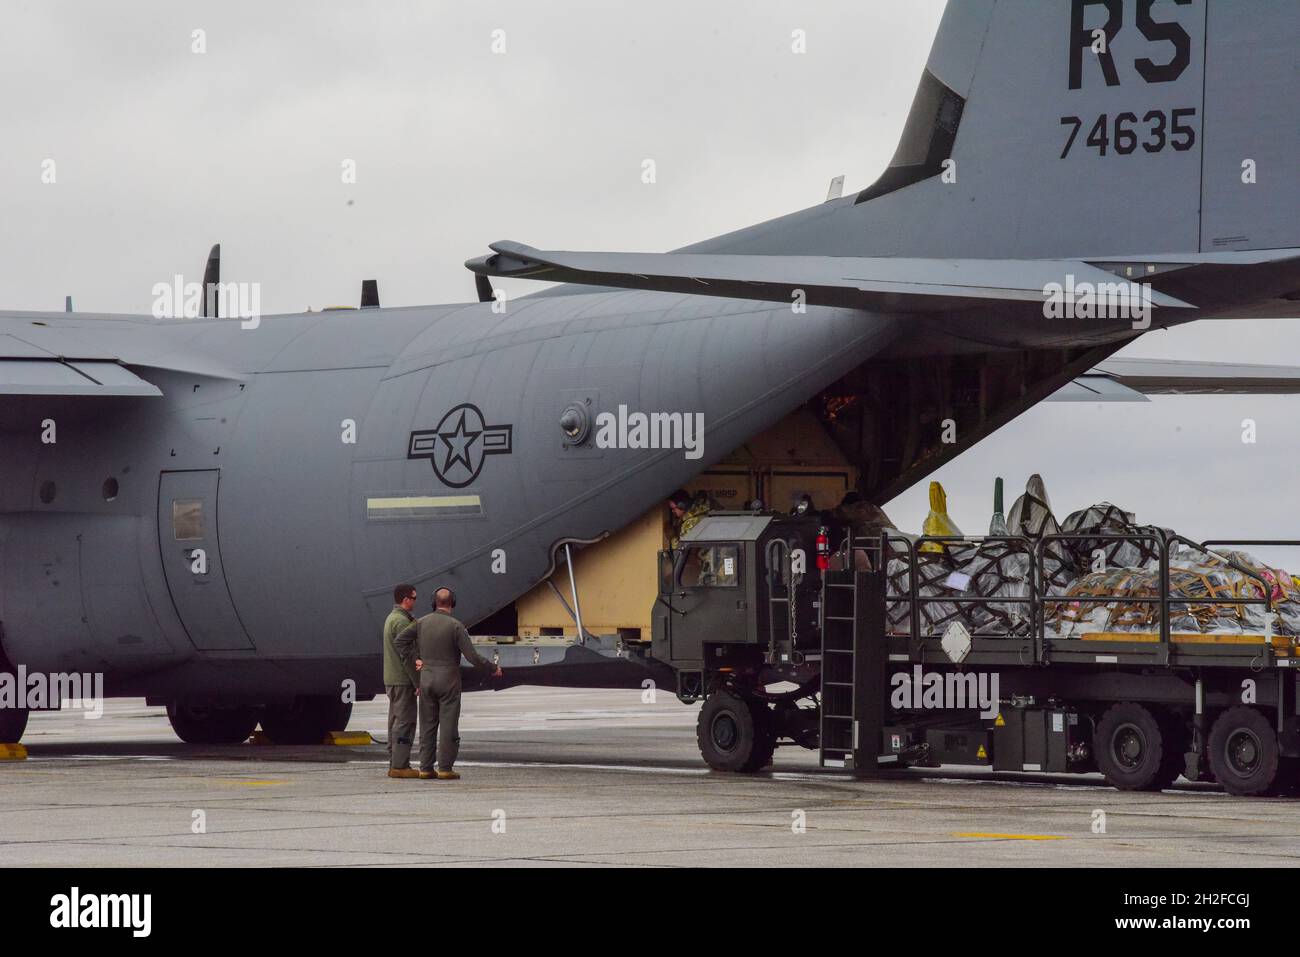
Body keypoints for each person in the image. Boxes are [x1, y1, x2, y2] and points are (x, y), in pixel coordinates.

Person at [394, 587, 502, 780]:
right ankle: (445, 768)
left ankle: (425, 768)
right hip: (449, 681)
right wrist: (492, 668)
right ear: (453, 603)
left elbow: (400, 641)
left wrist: (415, 660)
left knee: (427, 725)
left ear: (434, 602)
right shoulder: (456, 626)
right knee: (448, 725)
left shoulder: (421, 623)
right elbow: (472, 656)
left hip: (426, 679)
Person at [383, 584, 420, 779]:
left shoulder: (392, 618)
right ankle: (400, 765)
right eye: (414, 598)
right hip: (402, 680)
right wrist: (417, 681)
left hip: (393, 679)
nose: (415, 601)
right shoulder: (400, 622)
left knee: (395, 721)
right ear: (406, 599)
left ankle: (394, 761)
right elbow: (407, 655)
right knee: (405, 722)